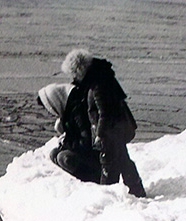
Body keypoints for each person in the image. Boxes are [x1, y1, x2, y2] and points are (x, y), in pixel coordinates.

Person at [61, 48, 146, 197]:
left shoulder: (98, 85)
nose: (74, 78)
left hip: (110, 131)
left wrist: (100, 135)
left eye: (74, 74)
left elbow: (104, 112)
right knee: (123, 160)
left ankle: (108, 197)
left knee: (108, 163)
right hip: (118, 127)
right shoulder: (100, 76)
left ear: (80, 70)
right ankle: (137, 190)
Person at [37, 82, 101, 183]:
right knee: (54, 154)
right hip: (86, 151)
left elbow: (85, 142)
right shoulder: (69, 111)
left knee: (64, 158)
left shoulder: (78, 112)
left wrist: (67, 144)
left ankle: (93, 178)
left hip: (95, 153)